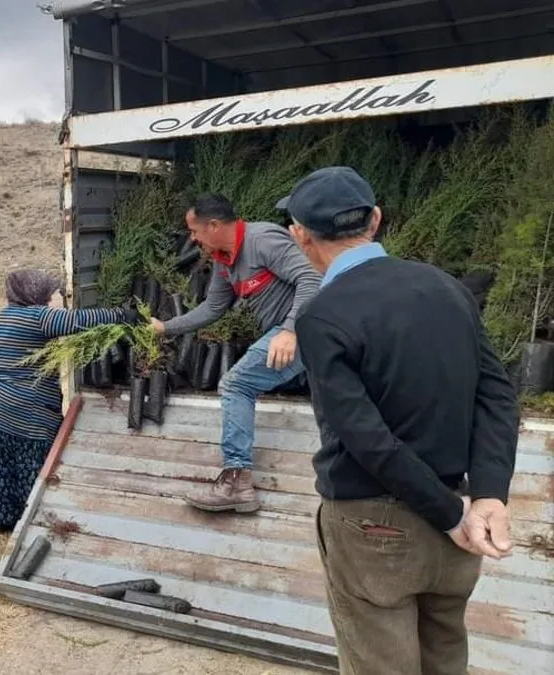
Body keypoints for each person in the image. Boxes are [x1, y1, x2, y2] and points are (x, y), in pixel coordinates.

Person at [285, 166, 518, 675]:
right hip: (457, 522)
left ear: (299, 235)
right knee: (445, 659)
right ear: (375, 219)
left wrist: (452, 514)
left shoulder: (322, 316)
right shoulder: (447, 288)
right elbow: (498, 394)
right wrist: (488, 497)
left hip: (375, 529)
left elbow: (367, 438)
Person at [150, 194, 321, 514]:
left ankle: (237, 481)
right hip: (296, 334)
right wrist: (164, 328)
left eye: (195, 231)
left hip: (311, 328)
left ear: (213, 226)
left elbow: (311, 278)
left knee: (236, 384)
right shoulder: (223, 261)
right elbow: (213, 308)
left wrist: (290, 330)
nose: (193, 238)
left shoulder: (262, 239)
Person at [0, 270, 143, 532]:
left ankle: (5, 521)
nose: (49, 299)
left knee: (3, 465)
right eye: (47, 294)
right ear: (31, 294)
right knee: (33, 469)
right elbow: (78, 320)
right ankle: (33, 525)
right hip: (26, 412)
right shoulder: (37, 317)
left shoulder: (0, 319)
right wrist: (121, 315)